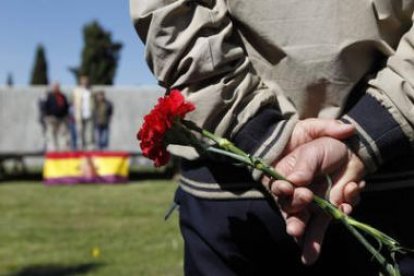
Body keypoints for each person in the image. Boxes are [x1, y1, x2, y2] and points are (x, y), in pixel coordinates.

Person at [131, 1, 414, 275]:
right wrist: (375, 125)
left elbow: (169, 15)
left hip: (235, 189)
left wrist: (259, 132)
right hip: (382, 172)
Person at [44, 82, 70, 151]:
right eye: (55, 87)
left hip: (62, 119)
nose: (56, 88)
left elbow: (66, 106)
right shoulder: (49, 96)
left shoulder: (62, 96)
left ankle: (63, 149)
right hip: (52, 119)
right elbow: (45, 106)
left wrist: (66, 115)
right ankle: (52, 149)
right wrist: (48, 116)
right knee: (51, 134)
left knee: (62, 134)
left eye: (57, 87)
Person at [72, 75, 95, 150]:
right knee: (80, 131)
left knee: (89, 132)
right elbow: (73, 102)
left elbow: (93, 102)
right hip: (80, 114)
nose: (85, 82)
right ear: (80, 81)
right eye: (83, 80)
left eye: (86, 81)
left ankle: (89, 146)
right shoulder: (76, 90)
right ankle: (81, 146)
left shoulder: (90, 90)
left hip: (89, 114)